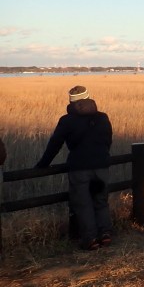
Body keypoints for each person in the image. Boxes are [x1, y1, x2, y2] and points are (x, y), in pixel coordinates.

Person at [35, 86, 113, 250]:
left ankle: (90, 239)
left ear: (71, 102)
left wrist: (43, 164)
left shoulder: (67, 120)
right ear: (89, 98)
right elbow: (108, 140)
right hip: (101, 165)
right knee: (101, 201)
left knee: (83, 203)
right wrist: (102, 155)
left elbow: (55, 144)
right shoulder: (102, 117)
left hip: (79, 168)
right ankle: (105, 234)